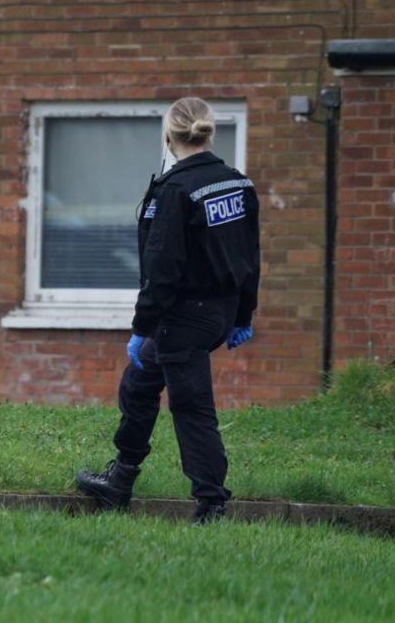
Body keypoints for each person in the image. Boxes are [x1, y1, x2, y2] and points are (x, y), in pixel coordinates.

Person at [75, 97, 260, 524]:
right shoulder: (237, 184)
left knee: (191, 406)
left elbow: (161, 270)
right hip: (217, 312)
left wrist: (142, 327)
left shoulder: (175, 190)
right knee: (138, 387)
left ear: (168, 135)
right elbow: (251, 256)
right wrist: (242, 315)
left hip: (181, 318)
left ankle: (211, 504)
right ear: (209, 133)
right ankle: (118, 482)